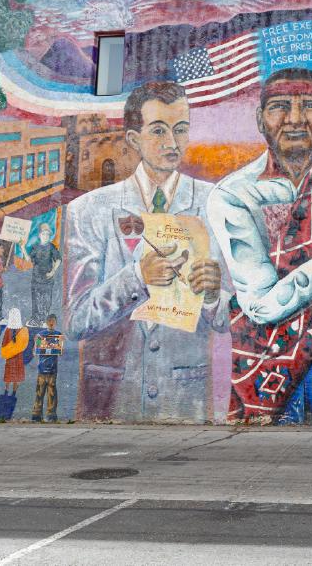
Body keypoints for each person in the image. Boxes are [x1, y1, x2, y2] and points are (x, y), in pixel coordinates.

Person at [207, 68, 312, 424]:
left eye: (309, 106)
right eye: (280, 106)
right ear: (260, 118)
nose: (295, 119)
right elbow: (259, 305)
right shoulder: (234, 194)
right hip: (266, 371)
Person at [64, 81, 228, 422]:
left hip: (185, 398)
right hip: (110, 399)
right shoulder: (89, 210)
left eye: (180, 130)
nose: (172, 143)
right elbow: (76, 322)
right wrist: (137, 277)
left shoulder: (216, 204)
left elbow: (232, 321)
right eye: (158, 131)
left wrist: (213, 297)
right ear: (133, 140)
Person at [26, 223, 61, 325]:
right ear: (39, 235)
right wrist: (23, 248)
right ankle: (36, 320)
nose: (45, 236)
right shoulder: (35, 247)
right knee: (36, 300)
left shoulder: (51, 247)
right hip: (36, 278)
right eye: (43, 234)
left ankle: (44, 320)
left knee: (46, 300)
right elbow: (29, 259)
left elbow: (58, 259)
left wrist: (53, 271)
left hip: (47, 279)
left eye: (47, 234)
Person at [32, 314, 63, 422]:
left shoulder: (58, 335)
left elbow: (59, 352)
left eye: (53, 321)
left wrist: (60, 342)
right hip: (42, 368)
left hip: (53, 368)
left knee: (51, 391)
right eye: (49, 320)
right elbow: (35, 351)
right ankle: (36, 414)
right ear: (46, 322)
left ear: (56, 322)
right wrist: (37, 342)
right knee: (40, 391)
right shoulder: (41, 335)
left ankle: (51, 414)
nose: (51, 323)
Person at [0, 307, 29, 395]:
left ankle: (6, 390)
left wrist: (9, 349)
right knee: (17, 376)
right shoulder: (23, 330)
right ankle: (14, 392)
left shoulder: (8, 331)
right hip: (19, 357)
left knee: (9, 374)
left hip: (9, 357)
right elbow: (25, 344)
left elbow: (3, 344)